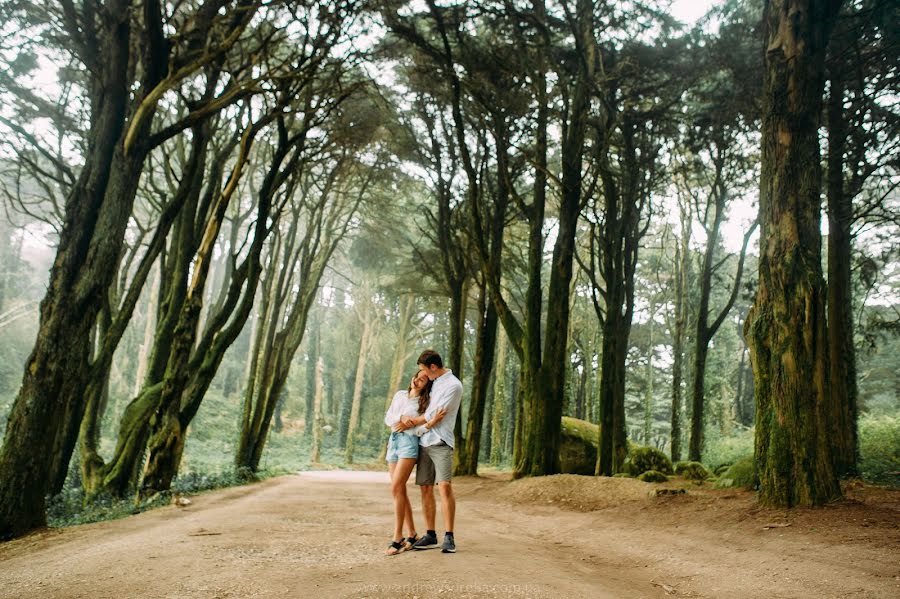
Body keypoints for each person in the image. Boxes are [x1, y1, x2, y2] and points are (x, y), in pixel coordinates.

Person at [395, 349, 462, 554]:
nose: (423, 374)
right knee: (425, 487)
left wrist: (411, 423)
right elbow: (425, 408)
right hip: (424, 440)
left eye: (424, 370)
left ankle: (449, 536)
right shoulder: (433, 382)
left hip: (441, 441)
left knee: (444, 486)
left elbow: (434, 413)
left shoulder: (453, 385)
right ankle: (430, 534)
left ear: (433, 367)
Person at [382, 370, 445, 555]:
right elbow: (388, 418)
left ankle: (397, 537)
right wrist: (401, 419)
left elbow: (423, 422)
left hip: (409, 443)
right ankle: (411, 534)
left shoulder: (425, 402)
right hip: (393, 441)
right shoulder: (400, 395)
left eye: (423, 379)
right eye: (417, 376)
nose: (418, 380)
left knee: (396, 487)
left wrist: (413, 423)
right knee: (399, 490)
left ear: (427, 385)